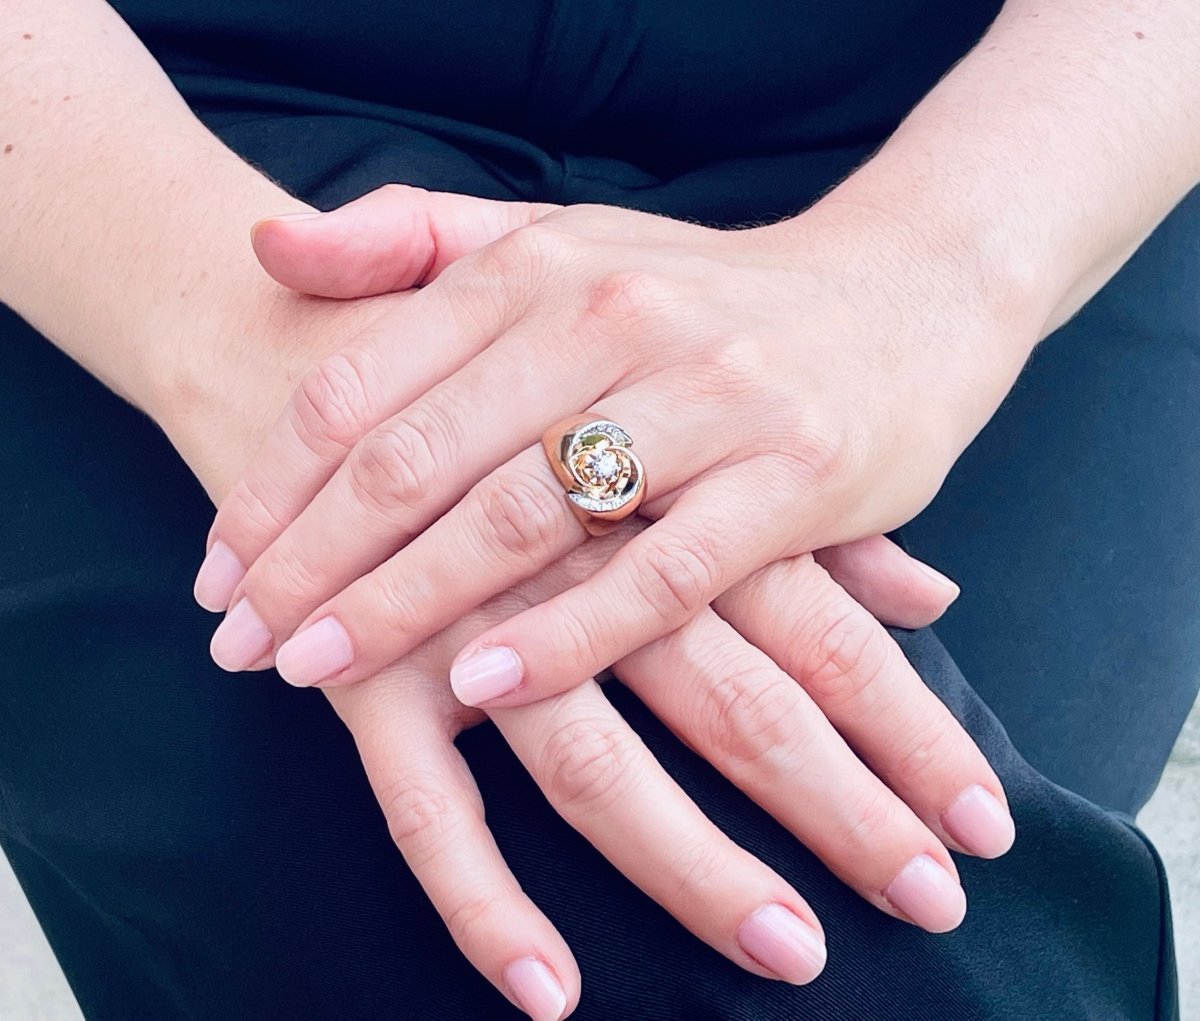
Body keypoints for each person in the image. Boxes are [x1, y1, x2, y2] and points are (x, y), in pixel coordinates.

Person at [0, 1, 1195, 1018]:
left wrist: (935, 277)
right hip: (148, 137)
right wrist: (232, 335)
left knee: (923, 912)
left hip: (1014, 122)